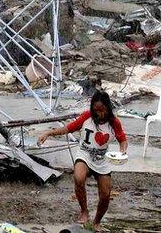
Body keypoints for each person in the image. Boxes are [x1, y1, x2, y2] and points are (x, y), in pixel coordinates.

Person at [37, 91, 127, 230]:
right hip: (84, 154)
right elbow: (68, 128)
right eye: (96, 110)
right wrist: (49, 133)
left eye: (102, 110)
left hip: (102, 160)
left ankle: (97, 221)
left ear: (108, 108)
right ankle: (84, 211)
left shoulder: (114, 122)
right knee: (79, 177)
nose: (99, 114)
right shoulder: (87, 117)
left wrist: (123, 152)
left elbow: (123, 140)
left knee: (105, 194)